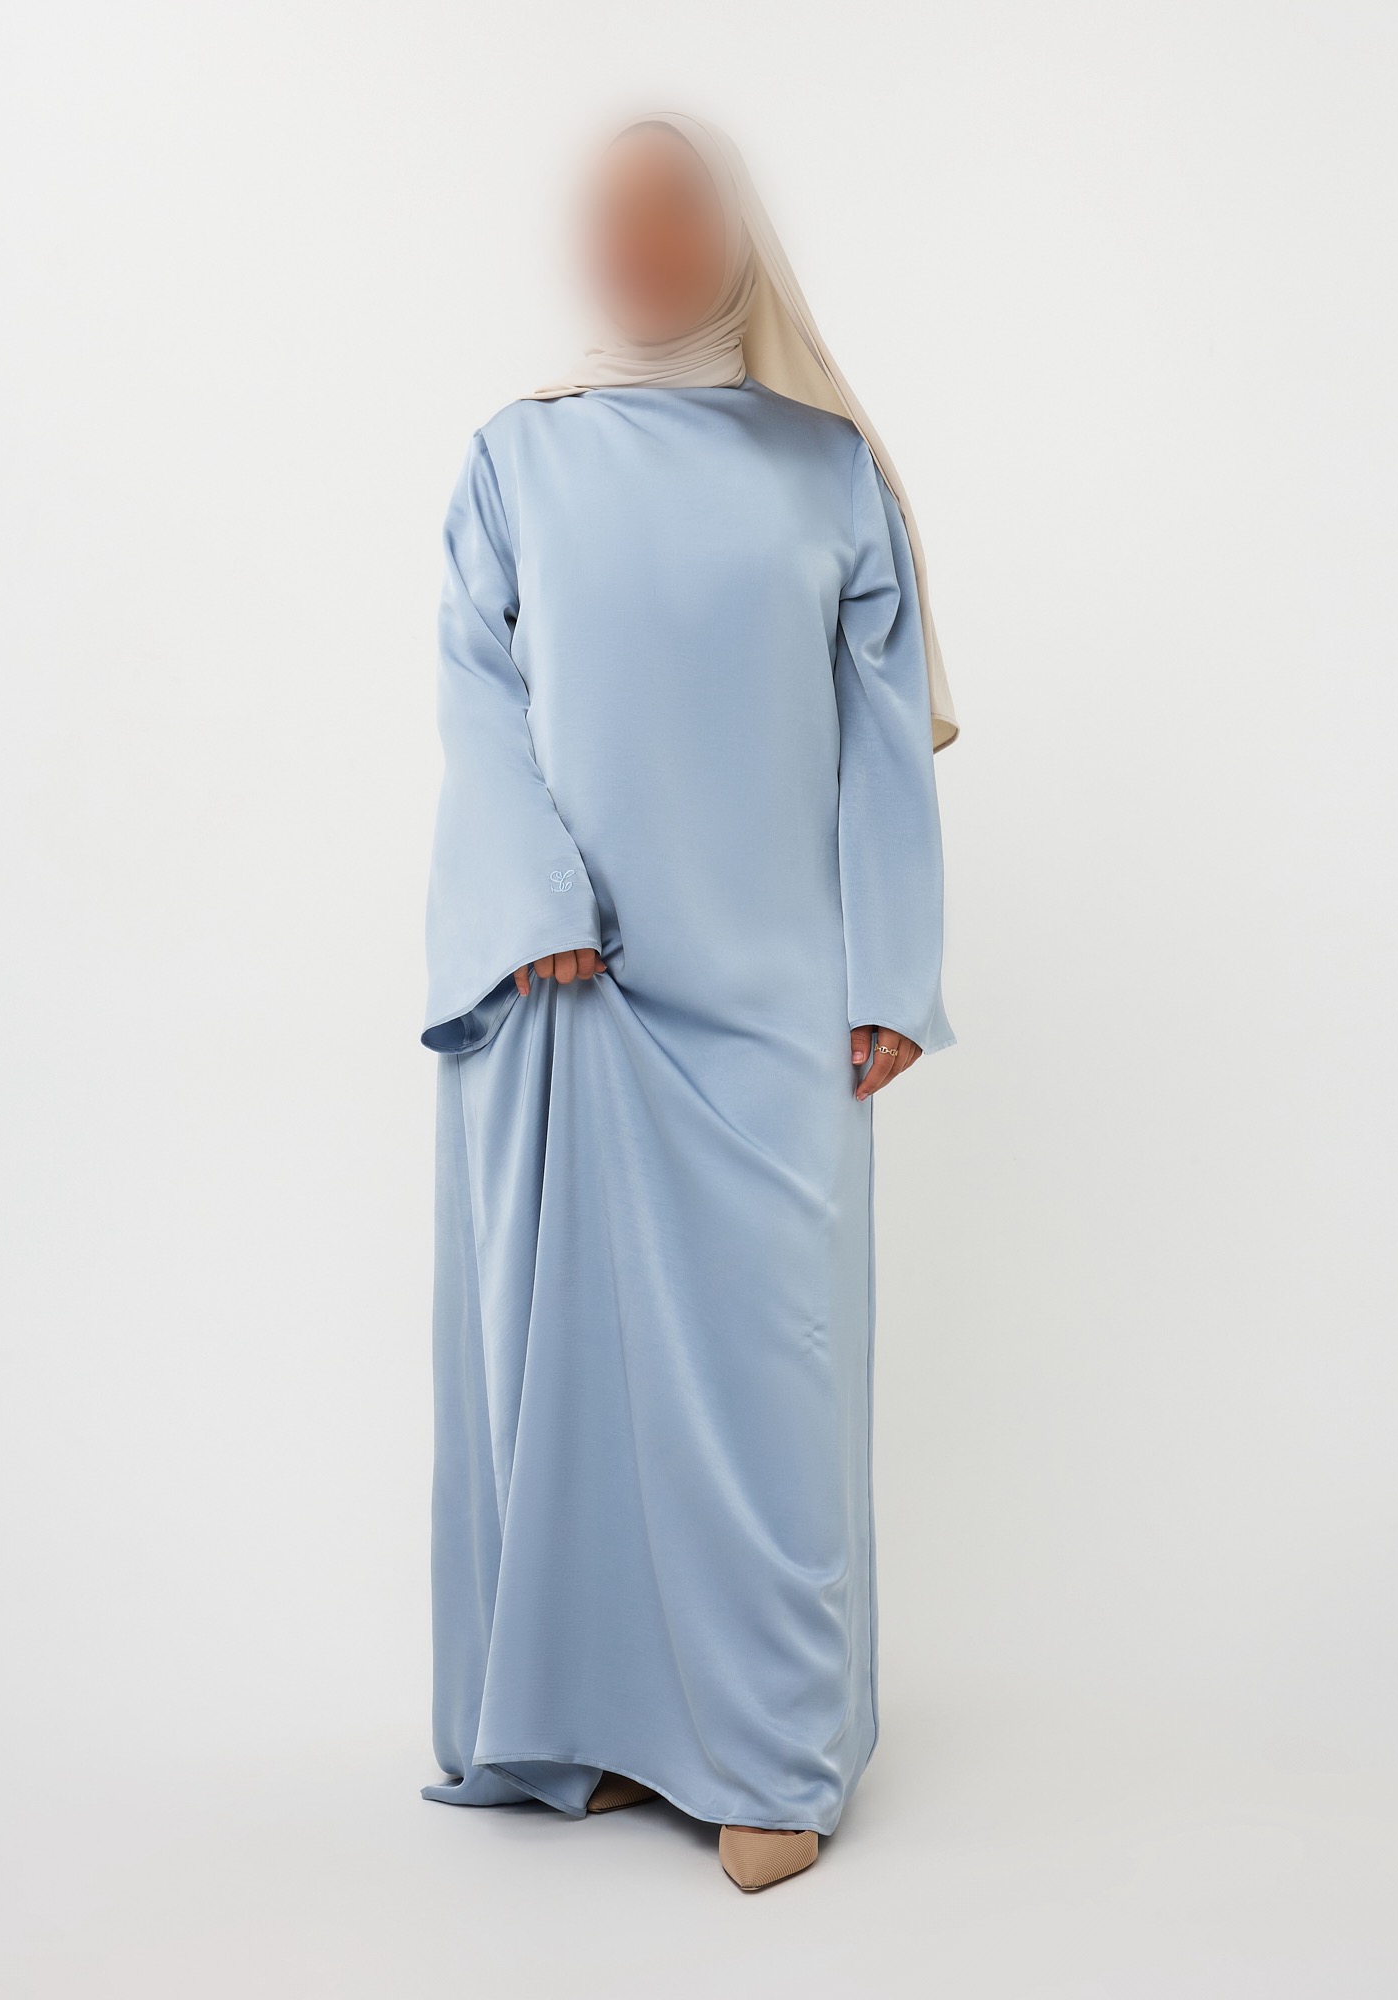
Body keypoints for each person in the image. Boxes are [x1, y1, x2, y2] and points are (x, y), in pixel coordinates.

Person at [420, 113, 957, 1893]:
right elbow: (475, 696)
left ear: (738, 238)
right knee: (575, 1382)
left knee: (769, 1379)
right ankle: (593, 1732)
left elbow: (883, 740)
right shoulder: (514, 458)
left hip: (778, 1004)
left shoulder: (828, 469)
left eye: (677, 209)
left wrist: (892, 972)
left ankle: (774, 1753)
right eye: (615, 214)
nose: (642, 241)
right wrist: (534, 906)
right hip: (574, 989)